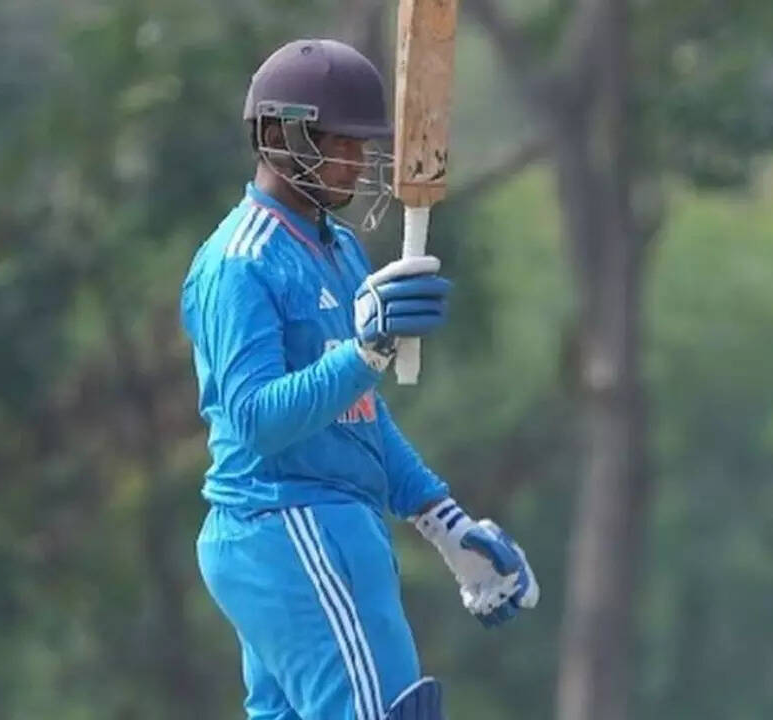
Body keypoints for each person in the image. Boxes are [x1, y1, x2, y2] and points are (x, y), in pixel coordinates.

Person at [180, 38, 540, 720]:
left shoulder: (339, 247)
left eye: (361, 144)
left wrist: (442, 520)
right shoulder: (240, 263)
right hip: (289, 520)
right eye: (338, 143)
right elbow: (256, 420)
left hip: (324, 525)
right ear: (278, 137)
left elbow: (359, 414)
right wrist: (366, 350)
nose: (355, 161)